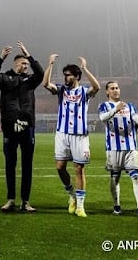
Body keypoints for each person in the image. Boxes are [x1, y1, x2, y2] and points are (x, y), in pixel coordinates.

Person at [0, 41, 45, 212]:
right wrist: (0, 58)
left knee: (27, 164)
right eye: (23, 63)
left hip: (27, 126)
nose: (26, 66)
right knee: (10, 164)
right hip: (9, 126)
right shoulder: (5, 78)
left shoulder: (30, 80)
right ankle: (10, 199)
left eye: (27, 64)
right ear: (15, 64)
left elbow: (40, 74)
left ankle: (25, 201)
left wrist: (29, 55)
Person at [43, 54, 100, 217]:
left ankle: (81, 206)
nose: (66, 77)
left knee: (79, 169)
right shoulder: (61, 90)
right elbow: (45, 84)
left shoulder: (84, 92)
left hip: (79, 135)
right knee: (60, 167)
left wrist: (85, 68)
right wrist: (50, 64)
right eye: (65, 75)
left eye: (68, 75)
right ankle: (72, 196)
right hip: (62, 134)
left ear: (76, 77)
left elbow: (97, 87)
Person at [98, 81, 138, 217]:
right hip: (113, 148)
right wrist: (115, 110)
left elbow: (136, 120)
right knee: (115, 178)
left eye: (117, 88)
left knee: (136, 177)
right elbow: (103, 118)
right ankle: (117, 205)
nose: (115, 90)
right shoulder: (104, 106)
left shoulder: (129, 106)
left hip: (130, 147)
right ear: (107, 92)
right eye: (112, 88)